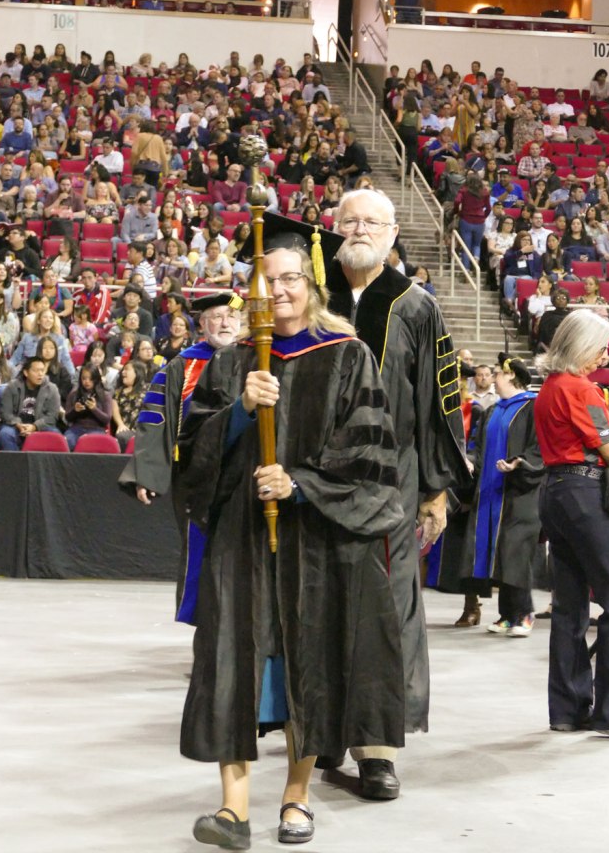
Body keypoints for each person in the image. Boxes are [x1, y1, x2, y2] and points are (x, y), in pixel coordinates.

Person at [175, 222, 405, 847]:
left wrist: (299, 483)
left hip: (315, 540)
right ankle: (232, 809)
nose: (277, 291)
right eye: (265, 280)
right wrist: (239, 413)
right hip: (241, 541)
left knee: (310, 661)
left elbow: (371, 456)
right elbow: (191, 455)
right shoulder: (232, 364)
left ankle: (297, 798)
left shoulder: (347, 355)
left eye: (289, 279)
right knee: (228, 661)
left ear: (312, 285)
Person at [325, 193, 469, 799]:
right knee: (319, 601)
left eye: (371, 222)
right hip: (319, 476)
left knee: (388, 611)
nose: (359, 230)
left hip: (395, 479)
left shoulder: (416, 306)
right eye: (348, 221)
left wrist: (436, 492)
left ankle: (378, 748)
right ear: (332, 230)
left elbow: (442, 402)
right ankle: (321, 729)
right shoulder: (313, 295)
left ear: (391, 233)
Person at [534, 309, 609, 739]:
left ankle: (567, 708)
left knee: (569, 606)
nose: (607, 353)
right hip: (585, 495)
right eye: (602, 346)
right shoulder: (581, 389)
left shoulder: (549, 388)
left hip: (555, 493)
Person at [119, 293, 244, 623]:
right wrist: (146, 473)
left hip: (245, 474)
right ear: (202, 324)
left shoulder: (257, 359)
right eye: (216, 317)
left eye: (231, 316)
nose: (225, 322)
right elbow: (154, 418)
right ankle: (206, 636)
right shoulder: (182, 365)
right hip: (194, 476)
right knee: (200, 553)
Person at [460, 355, 544, 636]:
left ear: (511, 377)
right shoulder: (494, 410)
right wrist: (472, 461)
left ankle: (525, 613)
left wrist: (518, 463)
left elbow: (538, 447)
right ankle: (507, 615)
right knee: (498, 552)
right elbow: (479, 447)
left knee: (515, 551)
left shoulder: (532, 407)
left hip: (520, 492)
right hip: (492, 492)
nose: (493, 376)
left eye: (497, 373)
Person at [0, 356, 62, 450]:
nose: (40, 374)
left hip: (41, 427)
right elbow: (5, 413)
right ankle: (16, 464)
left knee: (55, 435)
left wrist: (35, 426)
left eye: (42, 370)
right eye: (36, 371)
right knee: (5, 434)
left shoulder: (52, 389)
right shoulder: (12, 387)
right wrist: (18, 424)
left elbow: (52, 416)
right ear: (26, 373)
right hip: (16, 426)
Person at [64, 363, 113, 451]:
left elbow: (107, 419)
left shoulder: (105, 395)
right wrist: (75, 410)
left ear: (96, 379)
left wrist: (94, 409)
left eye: (90, 379)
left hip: (97, 428)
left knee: (90, 444)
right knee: (68, 441)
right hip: (77, 428)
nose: (87, 381)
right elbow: (67, 417)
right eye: (84, 378)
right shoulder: (74, 394)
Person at [111, 359, 147, 452]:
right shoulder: (118, 392)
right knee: (122, 436)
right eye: (123, 370)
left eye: (127, 369)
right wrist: (120, 425)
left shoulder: (148, 390)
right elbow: (114, 409)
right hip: (126, 430)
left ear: (137, 373)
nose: (123, 372)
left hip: (143, 431)